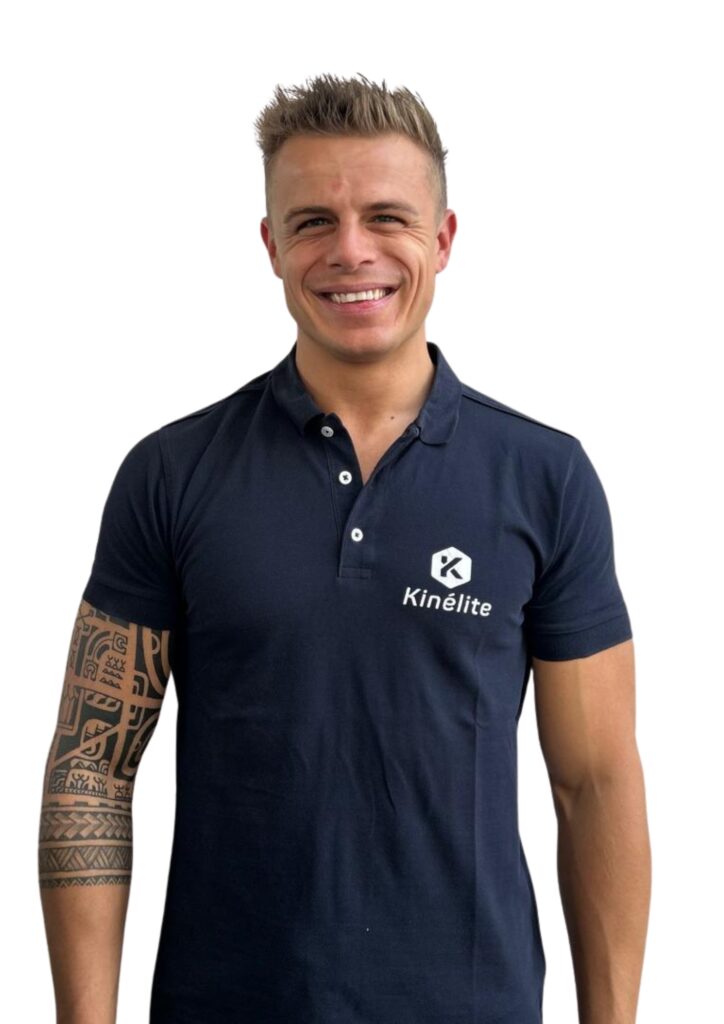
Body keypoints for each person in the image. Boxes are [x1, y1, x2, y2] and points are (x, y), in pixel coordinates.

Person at [38, 72, 651, 1024]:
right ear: (271, 245)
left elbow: (595, 782)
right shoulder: (171, 474)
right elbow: (92, 767)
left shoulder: (544, 477)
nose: (351, 250)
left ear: (443, 239)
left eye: (388, 217)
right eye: (314, 221)